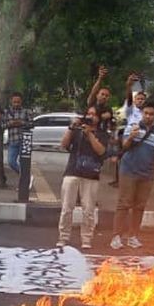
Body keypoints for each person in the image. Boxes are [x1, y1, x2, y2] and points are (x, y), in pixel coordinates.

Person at [110, 101, 154, 250]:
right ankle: (117, 236)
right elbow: (124, 146)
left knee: (139, 207)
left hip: (147, 175)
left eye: (151, 114)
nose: (148, 116)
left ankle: (132, 236)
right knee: (124, 204)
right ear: (142, 114)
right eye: (145, 113)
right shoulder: (132, 127)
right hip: (128, 171)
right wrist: (130, 137)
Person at [57, 105, 108, 248]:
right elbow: (63, 145)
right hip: (72, 171)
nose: (91, 117)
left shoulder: (102, 134)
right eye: (88, 114)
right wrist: (71, 127)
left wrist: (90, 135)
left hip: (91, 175)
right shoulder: (77, 130)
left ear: (98, 118)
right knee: (67, 207)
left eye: (94, 114)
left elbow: (101, 151)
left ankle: (86, 239)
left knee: (88, 210)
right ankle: (63, 237)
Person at [2, 91, 32, 177]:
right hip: (12, 141)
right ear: (11, 101)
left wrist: (21, 123)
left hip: (25, 141)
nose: (16, 104)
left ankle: (24, 183)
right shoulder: (6, 112)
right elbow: (1, 125)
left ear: (21, 101)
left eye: (18, 102)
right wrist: (10, 124)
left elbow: (32, 124)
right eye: (14, 102)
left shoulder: (27, 111)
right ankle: (26, 176)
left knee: (25, 163)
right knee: (11, 162)